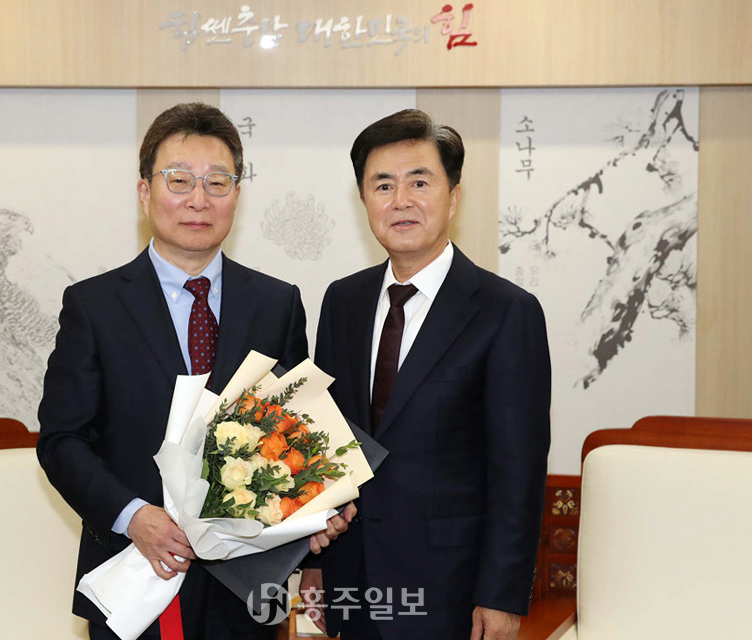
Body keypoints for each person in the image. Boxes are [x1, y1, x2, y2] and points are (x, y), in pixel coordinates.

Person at [38, 103, 346, 640]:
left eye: (217, 182)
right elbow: (62, 441)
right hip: (136, 573)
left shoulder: (277, 304)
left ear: (237, 196)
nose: (199, 199)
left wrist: (321, 509)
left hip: (247, 588)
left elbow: (297, 433)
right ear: (144, 192)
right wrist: (134, 516)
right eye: (179, 180)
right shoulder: (94, 306)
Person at [300, 109, 551, 640]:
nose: (401, 200)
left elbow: (518, 472)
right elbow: (324, 442)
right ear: (364, 200)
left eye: (419, 182)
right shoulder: (342, 301)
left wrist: (501, 595)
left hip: (451, 590)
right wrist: (315, 564)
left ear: (453, 196)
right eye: (383, 185)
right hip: (354, 577)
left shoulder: (506, 312)